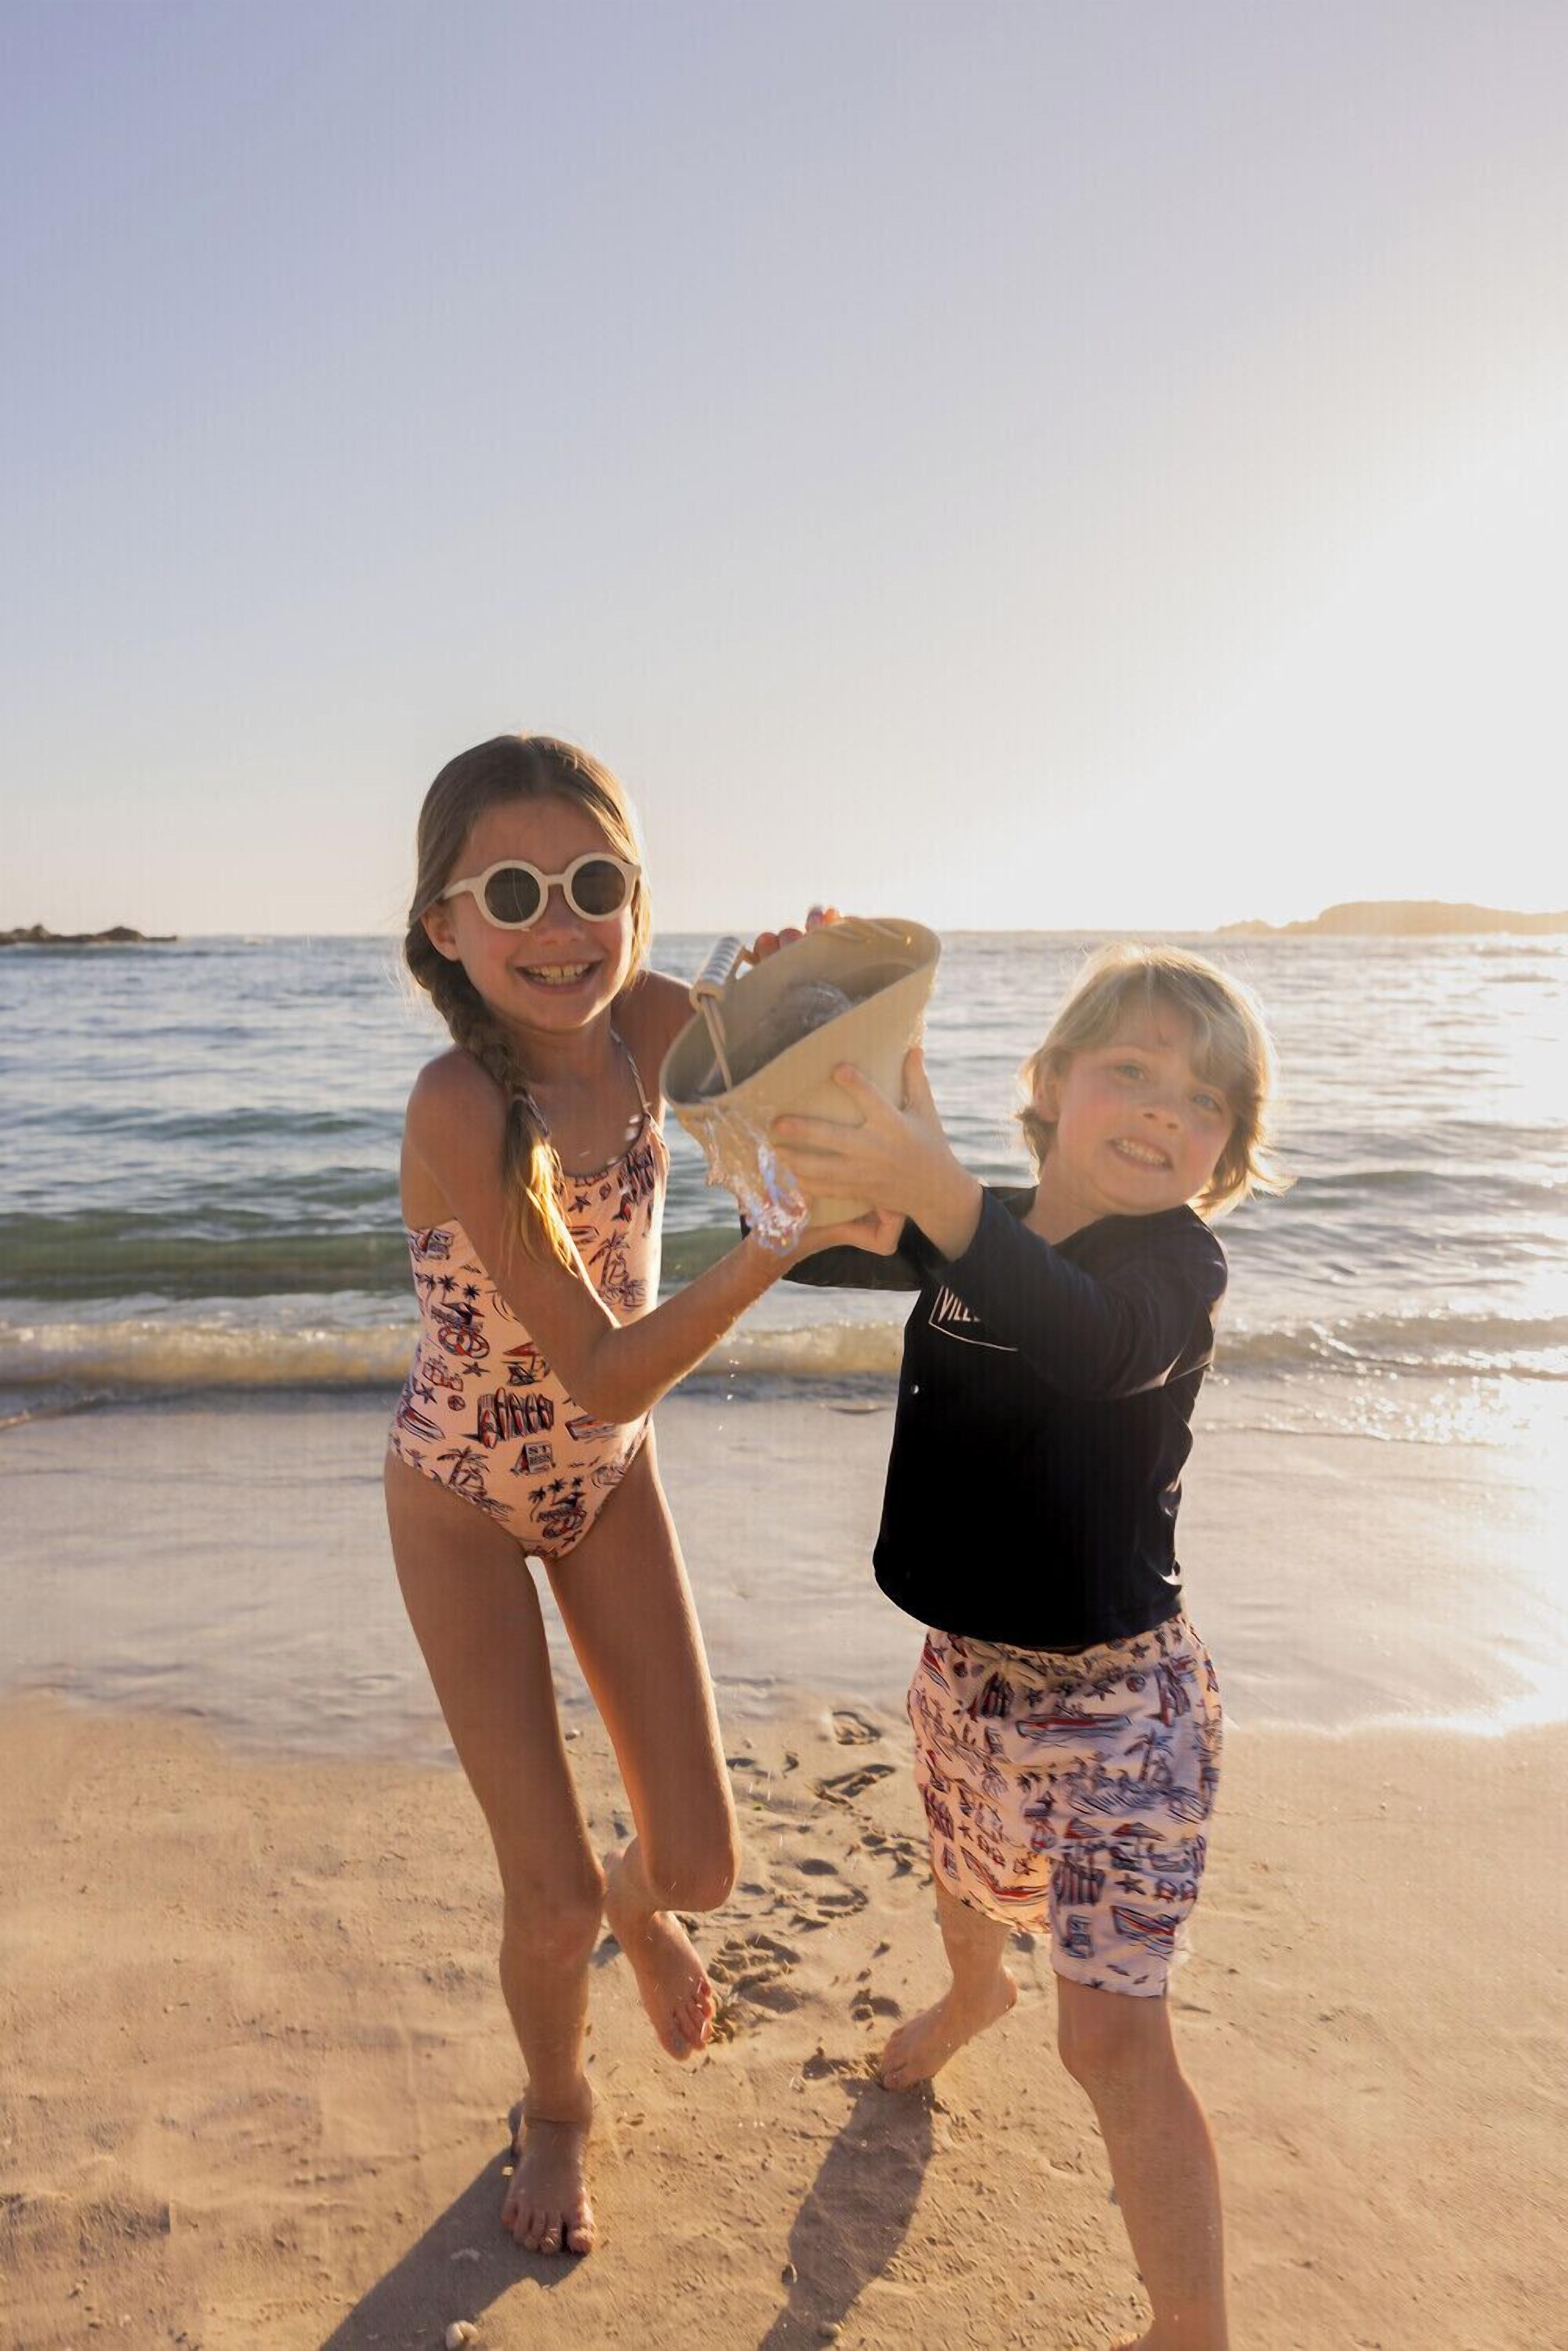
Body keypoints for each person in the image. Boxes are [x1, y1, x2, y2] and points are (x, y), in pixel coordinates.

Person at [385, 735, 874, 2258]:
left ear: (639, 902)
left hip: (606, 1487)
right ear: (445, 927)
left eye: (592, 883)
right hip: (461, 1499)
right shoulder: (459, 1100)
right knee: (541, 1906)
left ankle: (631, 1895)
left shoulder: (661, 1023)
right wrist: (767, 1246)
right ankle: (557, 2102)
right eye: (513, 889)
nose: (560, 922)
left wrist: (819, 1004)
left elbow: (835, 1116)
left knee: (701, 1867)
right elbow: (596, 1367)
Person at [774, 942, 1288, 2351]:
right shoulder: (964, 1224)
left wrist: (936, 1192)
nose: (1160, 1108)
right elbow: (794, 1232)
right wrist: (818, 1038)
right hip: (965, 1679)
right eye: (1130, 1068)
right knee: (961, 1878)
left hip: (1126, 1709)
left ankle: (1194, 2329)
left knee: (1112, 2040)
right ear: (1051, 1084)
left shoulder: (1175, 1268)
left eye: (1203, 1102)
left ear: (1225, 1154)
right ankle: (971, 1988)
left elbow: (1093, 1343)